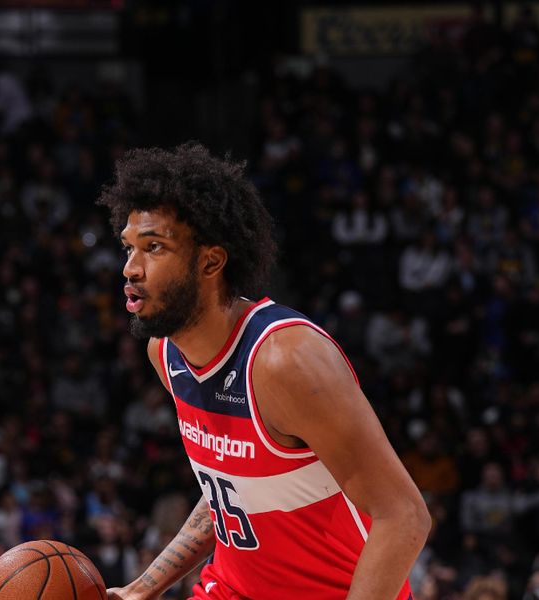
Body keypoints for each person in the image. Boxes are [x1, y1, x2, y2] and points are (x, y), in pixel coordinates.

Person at [97, 143, 431, 599]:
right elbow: (228, 493)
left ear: (211, 261)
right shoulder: (166, 353)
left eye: (153, 247)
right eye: (129, 248)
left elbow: (405, 516)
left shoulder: (286, 361)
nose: (130, 269)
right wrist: (142, 587)